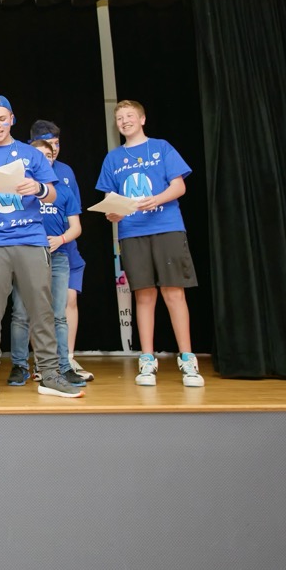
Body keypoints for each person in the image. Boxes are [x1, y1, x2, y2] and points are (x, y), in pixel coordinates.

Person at [0, 95, 83, 399]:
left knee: (42, 310)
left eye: (2, 119)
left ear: (12, 119)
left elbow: (51, 194)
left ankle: (50, 374)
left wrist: (37, 188)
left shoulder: (31, 154)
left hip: (31, 239)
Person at [96, 100, 204, 387]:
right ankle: (146, 359)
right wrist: (113, 212)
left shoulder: (161, 147)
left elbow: (179, 186)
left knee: (174, 292)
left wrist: (157, 199)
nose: (124, 121)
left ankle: (187, 359)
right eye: (119, 118)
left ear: (142, 119)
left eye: (130, 116)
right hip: (131, 232)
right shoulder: (113, 159)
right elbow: (110, 200)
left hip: (167, 227)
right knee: (143, 295)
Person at [6, 138, 87, 387]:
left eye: (48, 155)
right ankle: (20, 366)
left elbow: (76, 228)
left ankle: (63, 365)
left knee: (58, 315)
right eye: (38, 155)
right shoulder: (17, 190)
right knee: (20, 313)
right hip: (27, 257)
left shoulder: (63, 191)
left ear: (52, 160)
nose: (44, 159)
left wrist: (60, 239)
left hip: (58, 257)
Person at [29, 119, 93, 381]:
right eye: (47, 144)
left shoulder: (65, 171)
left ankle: (67, 358)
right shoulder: (26, 169)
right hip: (35, 249)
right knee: (36, 307)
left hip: (66, 247)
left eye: (56, 144)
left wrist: (65, 239)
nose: (53, 150)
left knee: (68, 302)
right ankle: (41, 362)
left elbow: (73, 211)